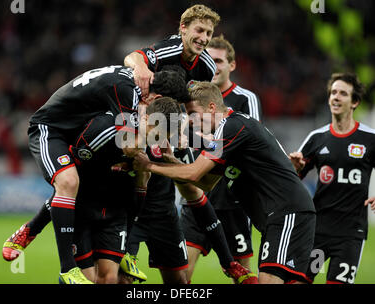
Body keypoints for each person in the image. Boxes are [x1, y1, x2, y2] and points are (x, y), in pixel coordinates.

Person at [2, 65, 187, 283]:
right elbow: (128, 146)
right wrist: (153, 149)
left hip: (86, 149)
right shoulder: (127, 95)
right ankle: (57, 257)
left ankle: (124, 250)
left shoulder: (134, 91)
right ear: (156, 97)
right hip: (51, 128)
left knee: (137, 176)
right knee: (70, 181)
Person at [133, 81, 316, 284]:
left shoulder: (232, 126)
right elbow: (205, 183)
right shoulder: (228, 133)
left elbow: (194, 173)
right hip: (280, 217)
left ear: (212, 107)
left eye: (193, 113)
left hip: (286, 212)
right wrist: (171, 161)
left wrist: (148, 165)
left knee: (268, 280)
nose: (191, 121)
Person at [70, 97, 184, 283]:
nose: (159, 141)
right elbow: (69, 176)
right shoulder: (109, 129)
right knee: (85, 278)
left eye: (163, 136)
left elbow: (141, 189)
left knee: (111, 278)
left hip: (117, 213)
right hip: (86, 207)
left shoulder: (145, 149)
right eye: (157, 135)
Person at [179, 35, 262, 282]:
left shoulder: (246, 99)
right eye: (209, 60)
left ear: (232, 65)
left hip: (233, 200)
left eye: (219, 60)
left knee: (242, 274)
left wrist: (207, 141)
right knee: (181, 275)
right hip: (197, 199)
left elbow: (252, 144)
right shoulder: (192, 95)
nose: (214, 66)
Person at [289, 72, 375, 284]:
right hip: (318, 231)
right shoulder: (317, 138)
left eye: (343, 93)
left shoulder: (369, 139)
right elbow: (292, 177)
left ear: (354, 102)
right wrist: (295, 168)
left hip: (349, 235)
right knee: (298, 281)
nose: (336, 97)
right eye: (333, 92)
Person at [124, 4, 220, 96]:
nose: (204, 38)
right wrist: (141, 68)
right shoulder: (171, 49)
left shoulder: (208, 67)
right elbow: (132, 57)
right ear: (183, 27)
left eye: (209, 33)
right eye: (199, 30)